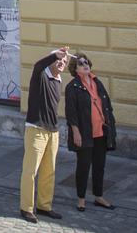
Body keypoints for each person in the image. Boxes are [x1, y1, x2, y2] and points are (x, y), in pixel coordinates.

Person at [19, 46, 70, 222]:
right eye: (59, 60)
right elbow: (38, 65)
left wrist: (55, 130)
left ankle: (44, 206)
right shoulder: (41, 75)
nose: (62, 63)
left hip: (52, 131)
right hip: (36, 128)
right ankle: (26, 208)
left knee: (49, 172)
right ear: (52, 60)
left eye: (64, 61)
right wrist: (55, 55)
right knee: (30, 171)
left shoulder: (58, 80)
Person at [65, 54, 117, 212]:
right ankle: (81, 199)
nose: (85, 65)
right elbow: (71, 112)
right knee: (83, 166)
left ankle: (98, 196)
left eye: (86, 62)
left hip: (101, 131)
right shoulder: (72, 86)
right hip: (85, 132)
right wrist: (75, 132)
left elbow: (106, 104)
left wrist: (111, 126)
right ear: (75, 69)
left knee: (99, 165)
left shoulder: (97, 82)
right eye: (80, 63)